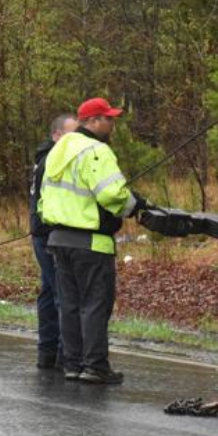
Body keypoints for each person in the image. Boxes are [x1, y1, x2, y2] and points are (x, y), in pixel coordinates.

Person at [38, 97, 150, 384]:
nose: (112, 124)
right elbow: (111, 194)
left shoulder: (57, 150)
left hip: (59, 239)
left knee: (71, 306)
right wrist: (135, 205)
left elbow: (44, 198)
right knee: (95, 305)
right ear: (92, 121)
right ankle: (96, 366)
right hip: (90, 240)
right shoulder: (96, 150)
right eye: (108, 118)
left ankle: (72, 364)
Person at [29, 113, 78, 370]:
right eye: (71, 134)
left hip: (41, 232)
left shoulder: (44, 158)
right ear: (56, 135)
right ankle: (62, 355)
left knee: (49, 291)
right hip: (47, 233)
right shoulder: (52, 160)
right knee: (61, 293)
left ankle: (46, 352)